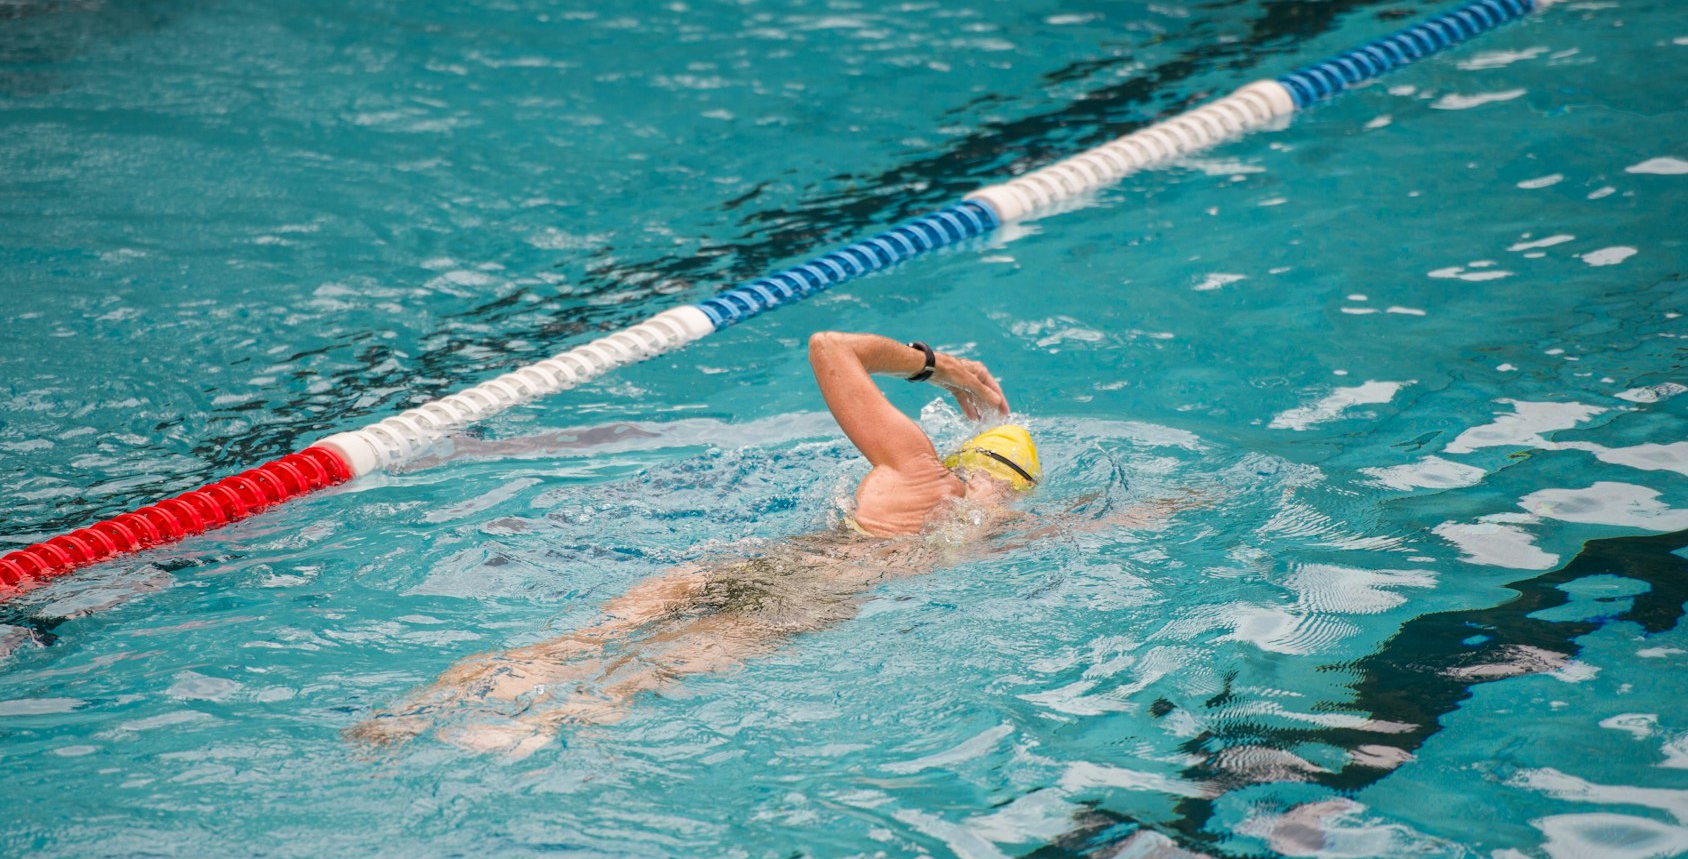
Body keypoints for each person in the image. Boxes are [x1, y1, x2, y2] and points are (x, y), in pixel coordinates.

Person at [348, 332, 1130, 756]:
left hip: (765, 562)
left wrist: (939, 367)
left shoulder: (915, 466)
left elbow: (830, 346)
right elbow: (1115, 523)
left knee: (580, 637)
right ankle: (528, 733)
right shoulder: (1007, 534)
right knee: (636, 679)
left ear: (961, 452)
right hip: (819, 603)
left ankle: (412, 712)